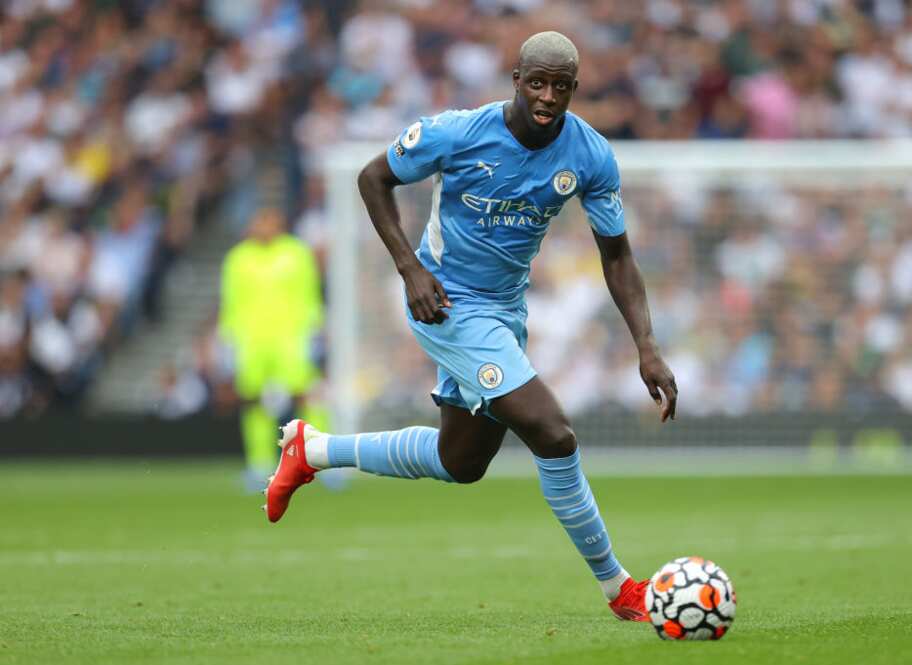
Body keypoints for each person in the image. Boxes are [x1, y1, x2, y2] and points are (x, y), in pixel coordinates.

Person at [263, 32, 678, 622]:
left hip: (505, 311)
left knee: (462, 462)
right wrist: (409, 270)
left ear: (574, 90)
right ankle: (620, 588)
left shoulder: (589, 156)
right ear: (516, 79)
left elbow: (617, 256)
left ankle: (314, 449)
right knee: (553, 435)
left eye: (561, 87)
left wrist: (647, 346)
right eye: (537, 82)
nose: (547, 97)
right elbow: (371, 177)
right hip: (447, 304)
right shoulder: (457, 132)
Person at [219, 208, 328, 490]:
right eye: (259, 220)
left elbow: (309, 295)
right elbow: (231, 302)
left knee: (307, 398)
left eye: (269, 220)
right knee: (254, 402)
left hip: (291, 340)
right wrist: (228, 339)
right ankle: (260, 464)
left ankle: (321, 459)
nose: (264, 226)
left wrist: (314, 330)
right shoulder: (238, 258)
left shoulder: (296, 253)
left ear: (279, 223)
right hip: (251, 342)